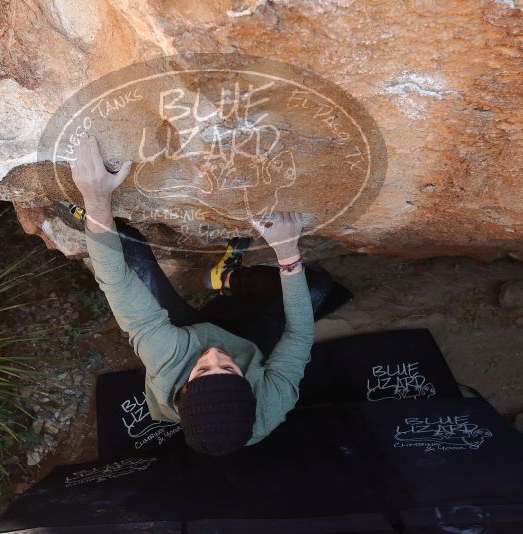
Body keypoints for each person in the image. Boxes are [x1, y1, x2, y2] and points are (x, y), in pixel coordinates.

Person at [70, 134, 348, 456]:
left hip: (181, 334)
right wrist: (286, 252)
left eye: (203, 370)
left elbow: (115, 281)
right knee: (315, 288)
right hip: (246, 337)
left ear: (185, 386)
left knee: (124, 243)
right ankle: (226, 278)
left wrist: (95, 197)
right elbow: (299, 334)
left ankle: (74, 212)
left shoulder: (165, 360)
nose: (214, 355)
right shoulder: (273, 403)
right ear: (251, 388)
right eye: (229, 369)